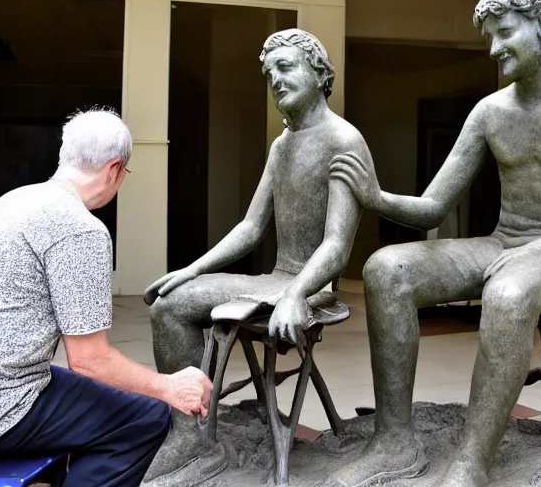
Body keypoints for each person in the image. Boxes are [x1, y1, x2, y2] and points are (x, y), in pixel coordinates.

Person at [326, 0, 541, 486]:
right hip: (503, 244)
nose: (495, 50)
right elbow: (432, 207)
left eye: (505, 33)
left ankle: (473, 461)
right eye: (489, 39)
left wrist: (540, 247)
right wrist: (376, 196)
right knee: (386, 270)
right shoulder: (491, 112)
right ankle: (395, 443)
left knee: (510, 292)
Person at [142, 29, 374, 481]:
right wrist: (191, 269)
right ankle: (191, 434)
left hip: (310, 286)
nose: (276, 82)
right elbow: (251, 227)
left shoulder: (344, 140)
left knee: (176, 309)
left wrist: (298, 293)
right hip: (275, 279)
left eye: (286, 68)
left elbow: (335, 245)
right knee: (170, 304)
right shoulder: (282, 144)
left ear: (320, 72)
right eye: (270, 75)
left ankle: (194, 442)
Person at [0, 109, 213, 487]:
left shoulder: (11, 202)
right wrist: (169, 386)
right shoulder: (80, 230)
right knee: (144, 418)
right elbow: (90, 361)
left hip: (2, 378)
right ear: (113, 170)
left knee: (95, 397)